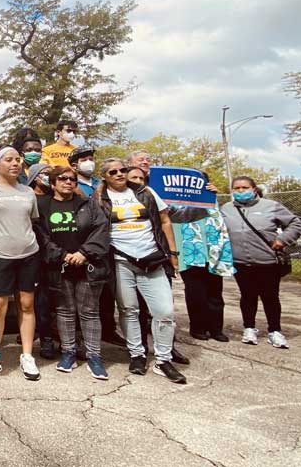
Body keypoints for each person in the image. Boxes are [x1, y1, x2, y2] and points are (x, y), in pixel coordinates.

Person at [95, 158, 186, 384]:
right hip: (120, 260)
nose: (119, 174)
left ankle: (163, 359)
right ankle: (137, 354)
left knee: (164, 312)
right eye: (113, 171)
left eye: (122, 170)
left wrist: (172, 253)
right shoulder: (98, 198)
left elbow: (165, 220)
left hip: (152, 259)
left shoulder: (146, 192)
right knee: (128, 309)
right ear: (105, 176)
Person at [34, 166, 111, 379]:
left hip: (88, 265)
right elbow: (41, 236)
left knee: (89, 312)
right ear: (53, 183)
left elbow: (102, 230)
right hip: (59, 267)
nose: (68, 182)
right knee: (65, 311)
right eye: (63, 179)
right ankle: (68, 352)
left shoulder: (89, 204)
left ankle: (94, 355)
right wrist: (62, 255)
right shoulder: (42, 206)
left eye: (72, 179)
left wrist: (84, 253)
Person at [0, 146, 42, 381]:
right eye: (8, 159)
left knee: (26, 304)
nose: (15, 163)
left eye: (18, 159)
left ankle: (26, 355)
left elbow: (32, 222)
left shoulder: (28, 192)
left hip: (28, 255)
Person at [222, 176, 301, 348]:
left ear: (254, 189)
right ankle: (249, 328)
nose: (241, 191)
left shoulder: (271, 206)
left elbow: (295, 223)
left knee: (270, 297)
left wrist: (283, 239)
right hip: (240, 262)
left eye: (244, 187)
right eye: (236, 188)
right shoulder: (226, 208)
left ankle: (275, 331)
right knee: (247, 296)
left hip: (267, 262)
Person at [173, 173, 235, 342]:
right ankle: (198, 327)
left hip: (214, 253)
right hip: (190, 252)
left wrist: (212, 194)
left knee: (215, 293)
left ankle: (216, 329)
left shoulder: (211, 199)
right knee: (196, 293)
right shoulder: (178, 201)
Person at [23, 162, 55, 359]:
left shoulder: (59, 197)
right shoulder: (28, 198)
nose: (48, 176)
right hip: (39, 255)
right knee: (41, 302)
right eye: (44, 173)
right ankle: (46, 340)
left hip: (63, 257)